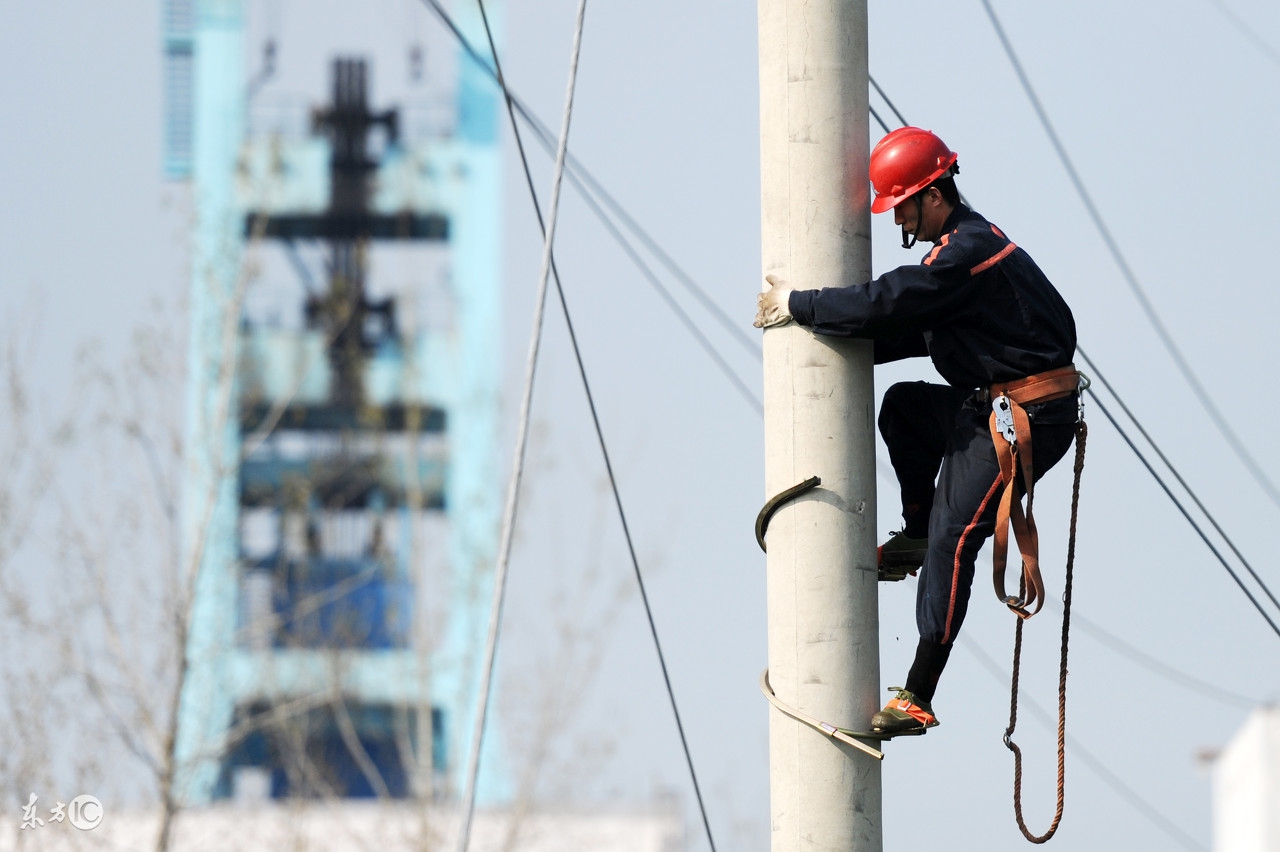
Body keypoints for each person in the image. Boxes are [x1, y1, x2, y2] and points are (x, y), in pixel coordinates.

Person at [753, 127, 1079, 735]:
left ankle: (919, 694)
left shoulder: (961, 255)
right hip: (994, 406)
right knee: (904, 408)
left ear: (932, 193)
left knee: (953, 544)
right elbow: (911, 329)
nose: (898, 219)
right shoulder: (966, 251)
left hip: (1025, 419)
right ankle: (917, 525)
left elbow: (890, 302)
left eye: (900, 204)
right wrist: (825, 337)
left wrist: (805, 304)